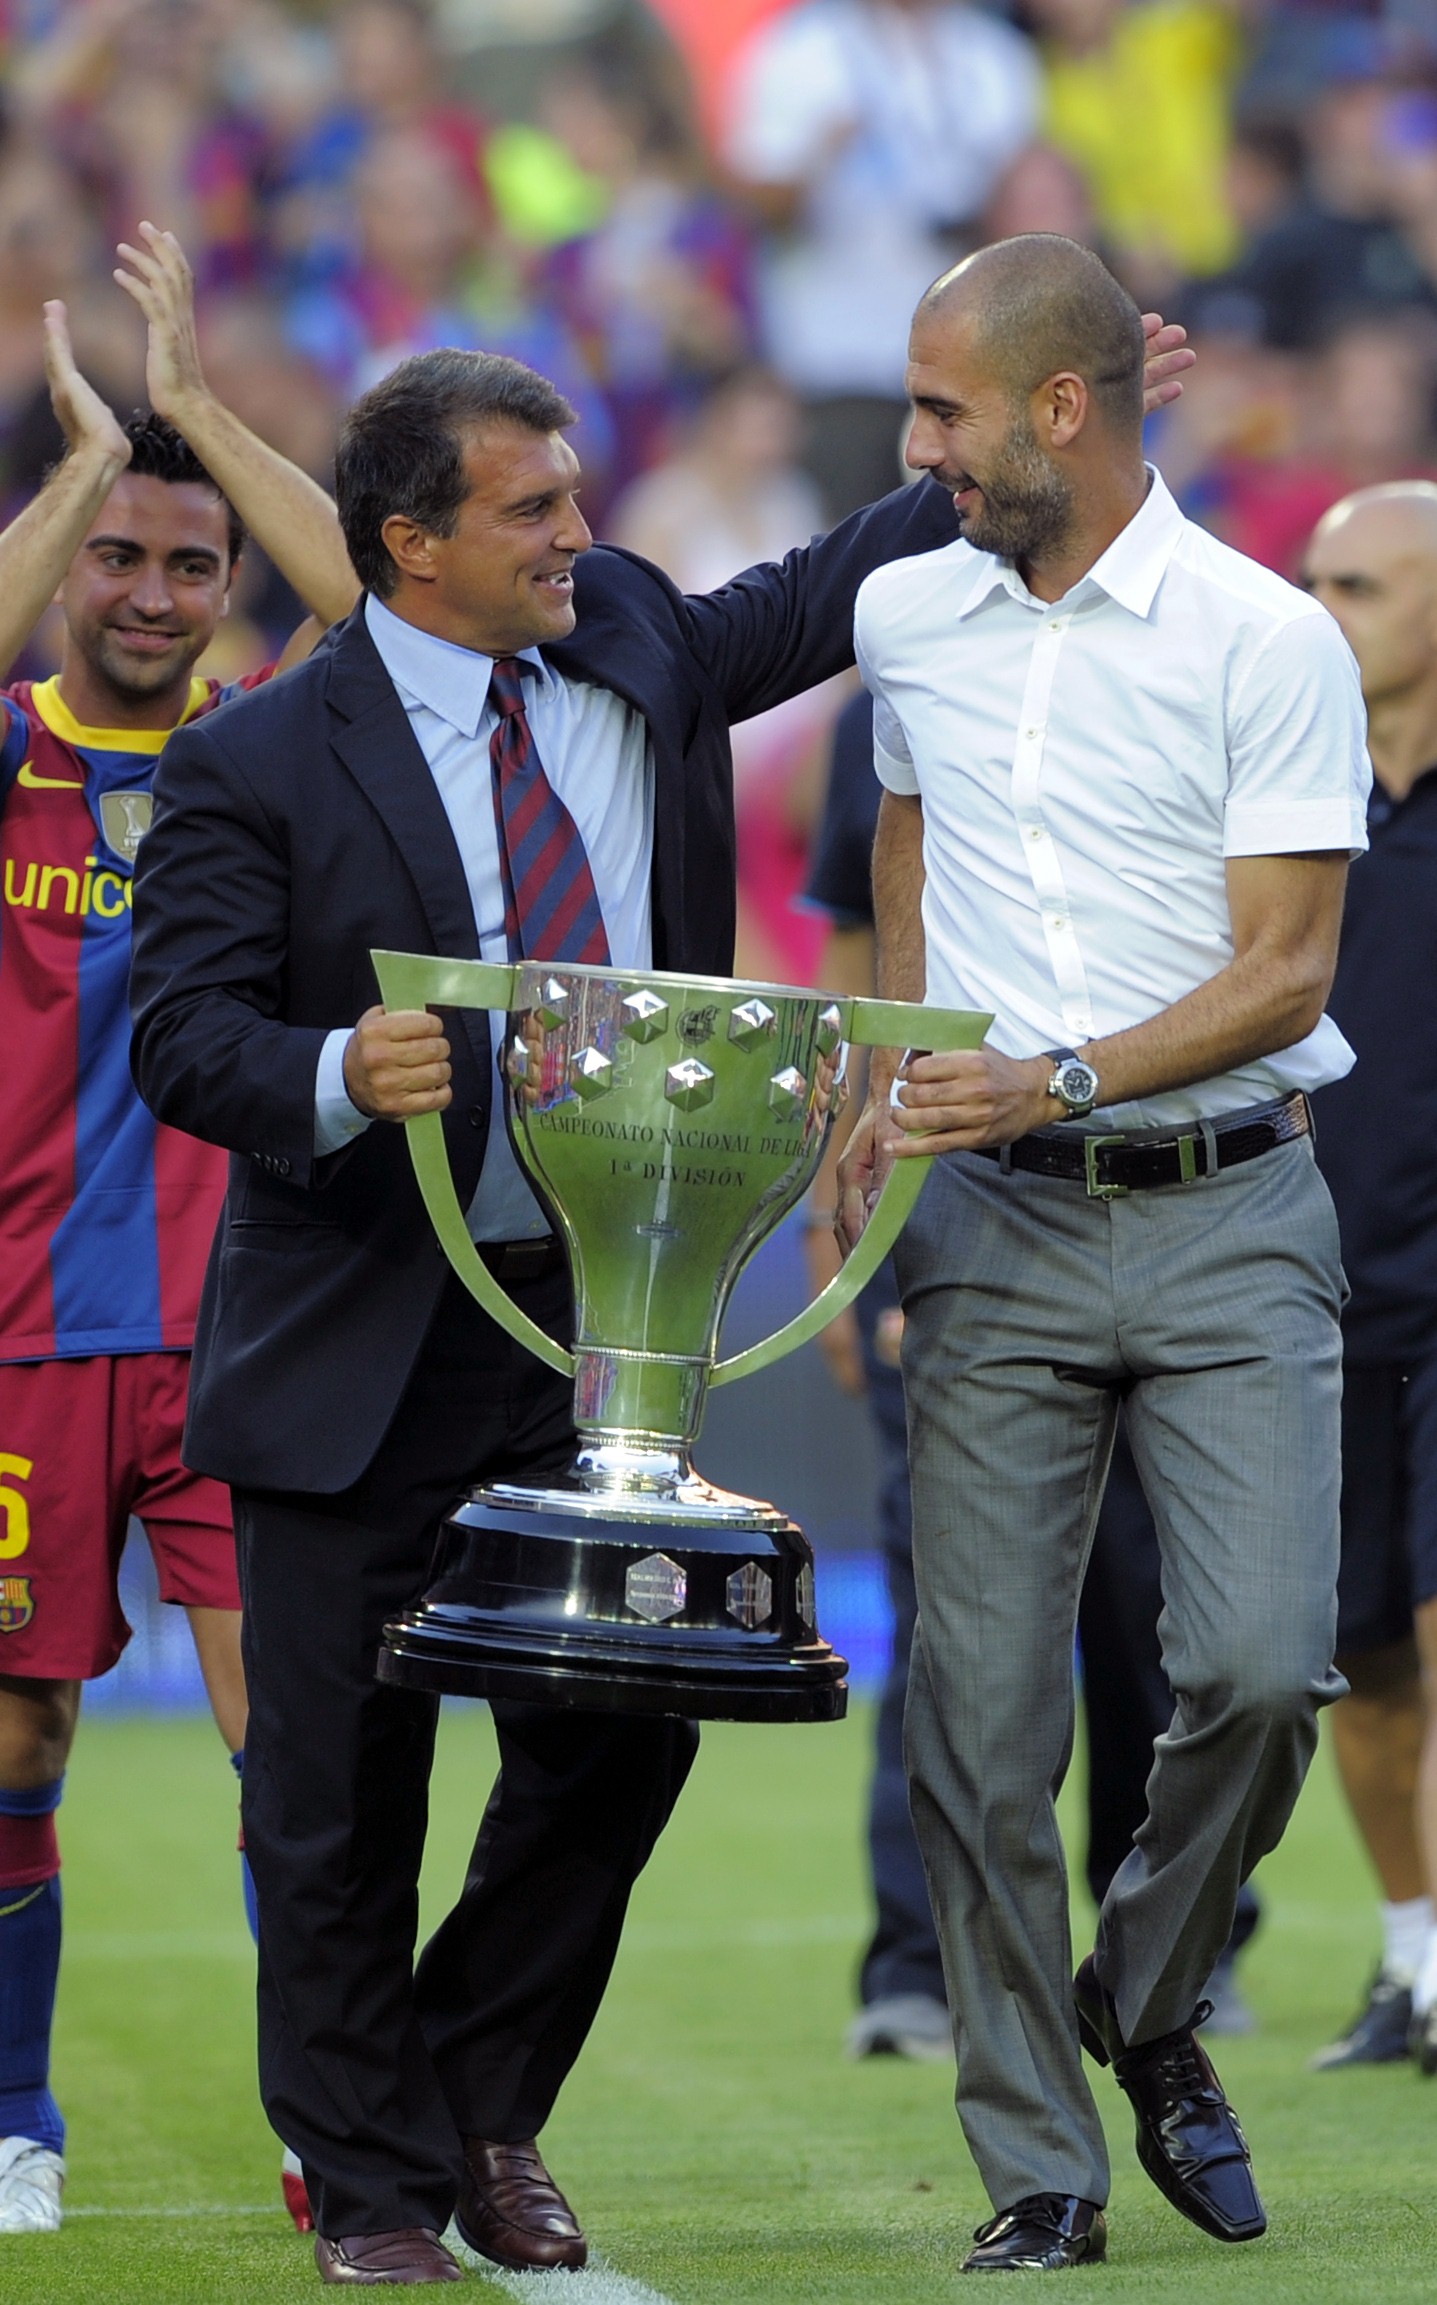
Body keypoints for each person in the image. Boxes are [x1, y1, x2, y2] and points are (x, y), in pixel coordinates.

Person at [124, 307, 1197, 2282]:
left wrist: (1034, 425)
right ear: (402, 541)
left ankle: (471, 2102)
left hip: (608, 1321)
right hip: (360, 1321)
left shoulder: (624, 635)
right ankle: (369, 2190)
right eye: (530, 508)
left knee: (628, 1725)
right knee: (333, 1783)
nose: (574, 534)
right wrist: (335, 1073)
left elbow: (824, 584)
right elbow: (181, 1037)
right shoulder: (254, 759)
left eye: (575, 498)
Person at [839, 232, 1367, 2273]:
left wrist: (1044, 1073)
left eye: (944, 413)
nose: (914, 451)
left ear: (1062, 410)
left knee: (1250, 1665)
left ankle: (1138, 2002)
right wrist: (888, 1067)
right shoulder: (904, 614)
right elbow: (899, 828)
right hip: (986, 1225)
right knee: (973, 1720)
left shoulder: (1261, 634)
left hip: (1232, 1204)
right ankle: (1037, 2170)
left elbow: (1283, 969)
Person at [0, 222, 358, 2237]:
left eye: (184, 561)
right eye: (118, 557)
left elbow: (378, 611)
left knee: (286, 1750)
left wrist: (203, 407)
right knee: (17, 1734)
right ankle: (11, 2116)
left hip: (248, 1330)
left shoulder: (269, 754)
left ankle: (326, 2129)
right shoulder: (14, 758)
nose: (148, 591)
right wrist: (79, 460)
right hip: (26, 1322)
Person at [806, 697, 1257, 2064]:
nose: (936, 469)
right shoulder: (898, 676)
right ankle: (917, 1961)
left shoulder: (1196, 667)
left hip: (1170, 1198)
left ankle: (1169, 1950)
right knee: (947, 1614)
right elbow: (855, 951)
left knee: (1158, 1613)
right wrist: (847, 1214)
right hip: (958, 1211)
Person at [1301, 481, 1437, 2070]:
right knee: (1360, 1654)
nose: (1324, 609)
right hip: (1319, 1280)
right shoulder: (1289, 790)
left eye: (1362, 584)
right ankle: (1410, 1959)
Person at [722, 0, 1040, 521]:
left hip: (973, 359)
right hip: (840, 364)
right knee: (855, 553)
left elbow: (1028, 200)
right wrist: (819, 159)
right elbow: (751, 206)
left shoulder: (994, 53)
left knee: (970, 550)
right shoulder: (802, 48)